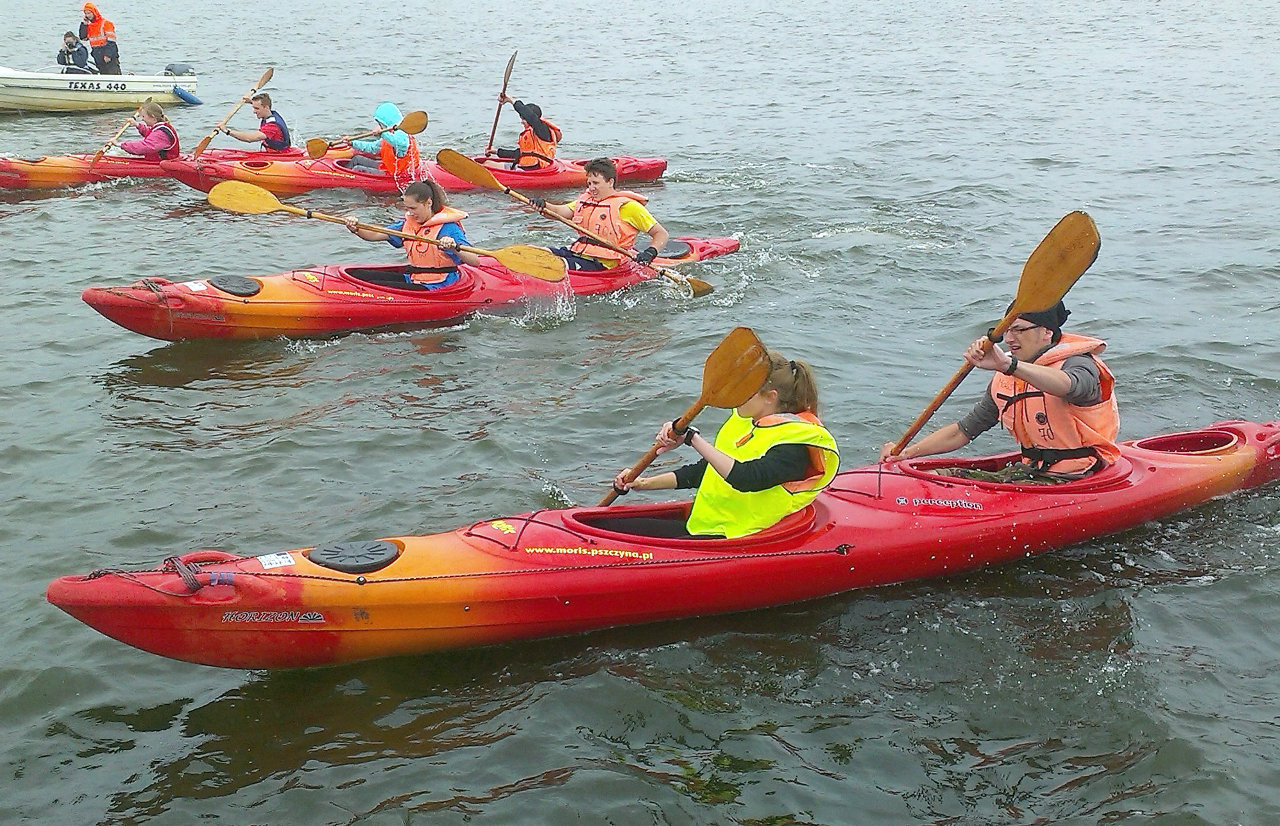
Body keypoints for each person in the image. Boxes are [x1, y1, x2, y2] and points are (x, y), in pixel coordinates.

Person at [878, 301, 1120, 481]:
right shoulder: (1007, 377)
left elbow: (1071, 385)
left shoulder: (1079, 363)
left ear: (1047, 332)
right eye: (1007, 330)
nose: (1010, 339)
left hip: (1080, 475)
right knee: (932, 478)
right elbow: (964, 430)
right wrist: (908, 453)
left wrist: (1008, 365)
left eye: (1019, 330)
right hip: (1031, 472)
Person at [609, 351, 840, 539]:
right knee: (606, 526)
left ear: (770, 397)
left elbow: (746, 478)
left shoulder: (796, 445)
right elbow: (706, 471)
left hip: (736, 536)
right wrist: (643, 483)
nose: (736, 395)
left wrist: (691, 438)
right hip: (704, 526)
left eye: (745, 391)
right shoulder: (747, 421)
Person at [530, 157, 669, 272]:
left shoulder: (629, 207)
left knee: (552, 265)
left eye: (596, 183)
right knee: (535, 252)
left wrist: (650, 252)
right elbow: (560, 212)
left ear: (610, 182)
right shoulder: (585, 201)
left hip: (604, 264)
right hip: (579, 253)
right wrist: (544, 205)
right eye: (589, 183)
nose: (591, 188)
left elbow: (661, 234)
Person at [343, 180, 481, 288]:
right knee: (359, 275)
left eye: (413, 208)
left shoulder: (448, 228)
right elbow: (374, 235)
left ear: (428, 203)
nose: (410, 213)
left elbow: (474, 261)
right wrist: (356, 228)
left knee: (375, 285)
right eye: (408, 208)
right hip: (414, 278)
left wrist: (453, 247)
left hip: (438, 284)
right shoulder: (408, 224)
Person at [339, 101, 422, 187]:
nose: (379, 126)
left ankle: (343, 182)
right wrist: (352, 143)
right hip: (386, 167)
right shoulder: (390, 134)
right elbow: (372, 147)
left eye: (380, 123)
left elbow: (401, 144)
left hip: (396, 175)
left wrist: (382, 133)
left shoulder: (402, 134)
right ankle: (341, 175)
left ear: (385, 122)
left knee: (357, 169)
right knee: (357, 159)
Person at [488, 92, 561, 170]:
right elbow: (518, 153)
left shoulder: (543, 130)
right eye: (521, 118)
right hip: (525, 167)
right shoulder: (532, 133)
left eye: (524, 119)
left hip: (537, 169)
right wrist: (496, 151)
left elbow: (529, 116)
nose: (522, 121)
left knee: (489, 166)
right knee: (487, 163)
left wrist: (510, 100)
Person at [219, 93, 291, 152]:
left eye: (256, 108)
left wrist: (227, 131)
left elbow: (249, 138)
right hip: (273, 151)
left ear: (266, 107)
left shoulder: (272, 126)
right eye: (254, 108)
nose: (254, 111)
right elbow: (263, 105)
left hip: (280, 155)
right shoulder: (271, 113)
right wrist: (250, 101)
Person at [114, 101, 179, 160]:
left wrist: (120, 144)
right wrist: (137, 124)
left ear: (153, 117)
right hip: (158, 160)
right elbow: (149, 133)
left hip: (164, 163)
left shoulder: (161, 133)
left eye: (143, 116)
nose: (142, 119)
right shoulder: (159, 127)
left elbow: (143, 147)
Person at [78, 2, 120, 75]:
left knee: (114, 75)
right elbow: (83, 37)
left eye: (89, 13)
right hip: (97, 54)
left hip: (108, 54)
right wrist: (84, 25)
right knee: (103, 75)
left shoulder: (106, 23)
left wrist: (108, 55)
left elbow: (112, 41)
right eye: (86, 13)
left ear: (94, 12)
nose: (87, 15)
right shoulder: (89, 26)